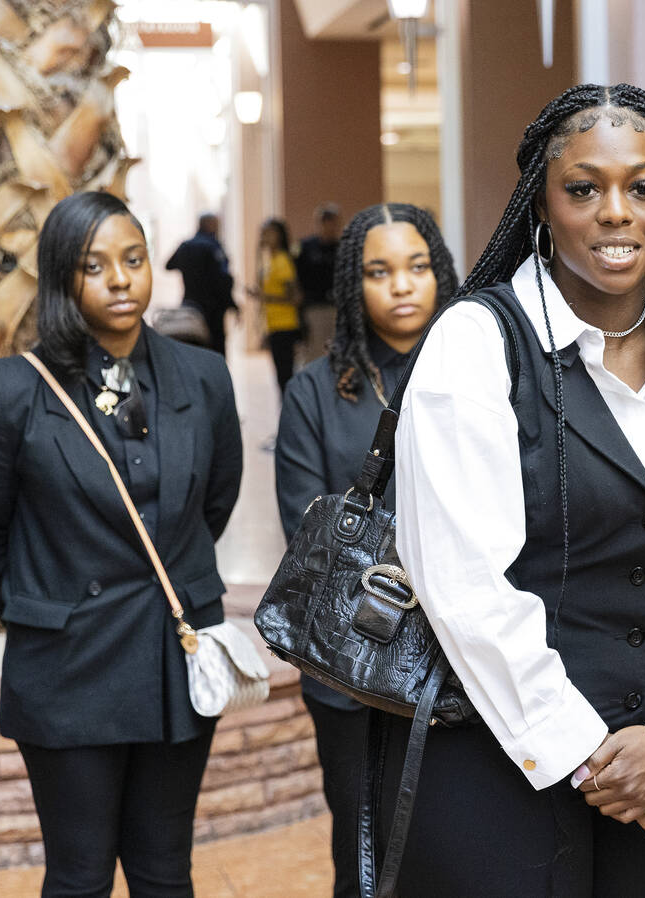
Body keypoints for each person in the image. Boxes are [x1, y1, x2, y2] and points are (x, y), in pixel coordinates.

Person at [387, 83, 645, 898]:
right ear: (541, 202)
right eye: (584, 188)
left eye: (643, 188)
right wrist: (589, 754)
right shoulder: (476, 344)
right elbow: (461, 584)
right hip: (502, 755)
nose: (616, 213)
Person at [0, 191, 243, 897]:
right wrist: (46, 602)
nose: (121, 279)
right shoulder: (9, 390)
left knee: (163, 872)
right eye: (95, 266)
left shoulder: (203, 377)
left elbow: (215, 500)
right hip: (67, 665)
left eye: (134, 259)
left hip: (174, 656)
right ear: (63, 279)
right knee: (80, 874)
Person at [274, 203, 457, 898]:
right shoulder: (314, 392)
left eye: (417, 267)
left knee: (457, 850)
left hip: (464, 662)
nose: (402, 285)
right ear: (354, 286)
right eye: (379, 272)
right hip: (349, 667)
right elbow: (307, 531)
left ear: (440, 273)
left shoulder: (484, 375)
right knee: (364, 854)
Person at [164, 212, 236, 355]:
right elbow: (223, 279)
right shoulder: (213, 247)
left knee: (195, 348)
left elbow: (169, 265)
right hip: (213, 308)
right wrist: (231, 303)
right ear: (210, 225)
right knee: (216, 349)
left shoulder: (186, 246)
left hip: (191, 304)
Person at [250, 217, 300, 395]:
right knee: (280, 375)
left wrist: (265, 297)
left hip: (285, 324)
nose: (263, 236)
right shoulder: (270, 261)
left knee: (285, 375)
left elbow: (294, 297)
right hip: (273, 324)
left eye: (268, 232)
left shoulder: (282, 261)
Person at [294, 202, 342, 365]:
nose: (329, 227)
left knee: (337, 351)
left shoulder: (342, 247)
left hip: (337, 307)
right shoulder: (306, 247)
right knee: (314, 350)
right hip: (314, 306)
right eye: (325, 222)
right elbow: (297, 276)